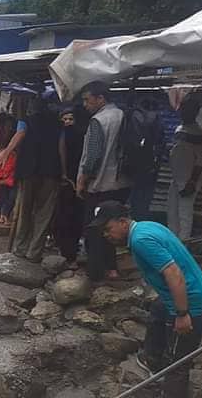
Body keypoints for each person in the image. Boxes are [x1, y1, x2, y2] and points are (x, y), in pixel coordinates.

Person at [93, 201, 202, 397]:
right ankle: (152, 360)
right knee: (158, 309)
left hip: (195, 304)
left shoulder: (141, 240)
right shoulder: (146, 226)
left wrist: (182, 314)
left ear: (123, 222)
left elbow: (174, 273)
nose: (106, 235)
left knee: (177, 362)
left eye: (108, 229)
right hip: (195, 291)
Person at [78, 81, 133, 282]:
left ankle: (94, 274)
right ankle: (112, 269)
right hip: (122, 183)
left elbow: (93, 156)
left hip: (101, 185)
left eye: (87, 100)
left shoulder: (99, 120)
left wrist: (82, 180)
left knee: (95, 230)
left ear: (100, 98)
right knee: (114, 228)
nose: (85, 105)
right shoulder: (124, 115)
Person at [1, 96, 63, 263]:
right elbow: (61, 146)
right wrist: (64, 171)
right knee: (44, 214)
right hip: (51, 171)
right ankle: (34, 252)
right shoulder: (58, 123)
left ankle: (20, 248)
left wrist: (6, 152)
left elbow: (20, 134)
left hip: (28, 171)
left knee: (24, 211)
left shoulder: (26, 121)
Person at [168, 98, 202, 240]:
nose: (183, 113)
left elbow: (200, 161)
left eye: (187, 110)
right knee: (172, 213)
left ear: (195, 112)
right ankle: (172, 243)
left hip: (188, 180)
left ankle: (183, 245)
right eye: (182, 109)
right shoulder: (179, 129)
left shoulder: (199, 133)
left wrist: (192, 182)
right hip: (176, 178)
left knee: (184, 215)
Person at [56, 106, 88, 266]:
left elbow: (62, 155)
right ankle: (70, 252)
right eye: (65, 119)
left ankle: (67, 252)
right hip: (75, 181)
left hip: (71, 181)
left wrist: (63, 175)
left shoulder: (65, 135)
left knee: (67, 216)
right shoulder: (83, 134)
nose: (68, 122)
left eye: (71, 119)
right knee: (73, 216)